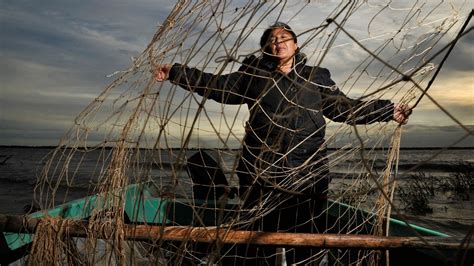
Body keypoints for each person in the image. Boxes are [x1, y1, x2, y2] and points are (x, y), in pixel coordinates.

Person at [155, 22, 411, 264]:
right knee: (258, 242)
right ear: (266, 48)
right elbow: (215, 85)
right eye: (271, 40)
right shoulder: (251, 76)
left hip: (307, 177)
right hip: (259, 176)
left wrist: (387, 110)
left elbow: (346, 109)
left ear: (296, 45)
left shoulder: (316, 77)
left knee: (306, 242)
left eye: (283, 37)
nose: (278, 42)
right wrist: (176, 72)